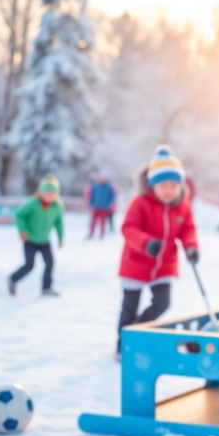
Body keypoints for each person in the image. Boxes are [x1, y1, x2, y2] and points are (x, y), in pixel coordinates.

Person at [117, 146, 198, 360]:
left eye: (174, 185)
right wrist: (146, 243)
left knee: (162, 303)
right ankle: (122, 345)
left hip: (164, 265)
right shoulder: (140, 203)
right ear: (153, 184)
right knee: (129, 308)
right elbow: (128, 228)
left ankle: (136, 329)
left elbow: (188, 229)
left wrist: (191, 247)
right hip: (136, 263)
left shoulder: (183, 206)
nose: (169, 190)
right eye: (163, 185)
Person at [8, 175, 64, 297]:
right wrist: (22, 231)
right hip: (30, 240)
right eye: (48, 193)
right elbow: (19, 215)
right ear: (41, 193)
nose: (50, 196)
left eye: (53, 193)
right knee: (29, 265)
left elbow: (59, 222)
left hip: (44, 240)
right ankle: (13, 279)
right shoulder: (32, 203)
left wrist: (60, 237)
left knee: (50, 262)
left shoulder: (57, 206)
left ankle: (47, 287)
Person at [87, 172, 116, 239]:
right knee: (93, 221)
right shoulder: (96, 186)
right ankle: (91, 233)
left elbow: (113, 196)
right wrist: (92, 203)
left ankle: (102, 234)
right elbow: (92, 195)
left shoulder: (109, 187)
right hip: (96, 207)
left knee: (103, 222)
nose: (102, 179)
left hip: (104, 208)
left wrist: (109, 204)